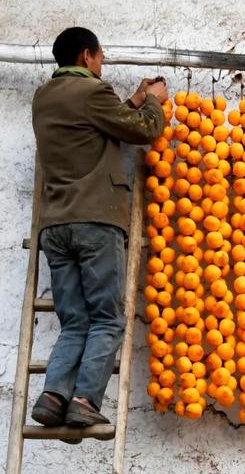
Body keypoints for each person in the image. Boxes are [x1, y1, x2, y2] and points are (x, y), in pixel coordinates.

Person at [30, 27, 168, 434]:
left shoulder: (43, 98)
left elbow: (95, 127)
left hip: (56, 224)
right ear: (87, 55)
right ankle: (86, 399)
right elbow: (142, 130)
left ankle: (53, 395)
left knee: (74, 320)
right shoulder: (94, 93)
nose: (103, 62)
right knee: (108, 319)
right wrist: (154, 105)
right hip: (94, 221)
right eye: (101, 56)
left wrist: (136, 101)